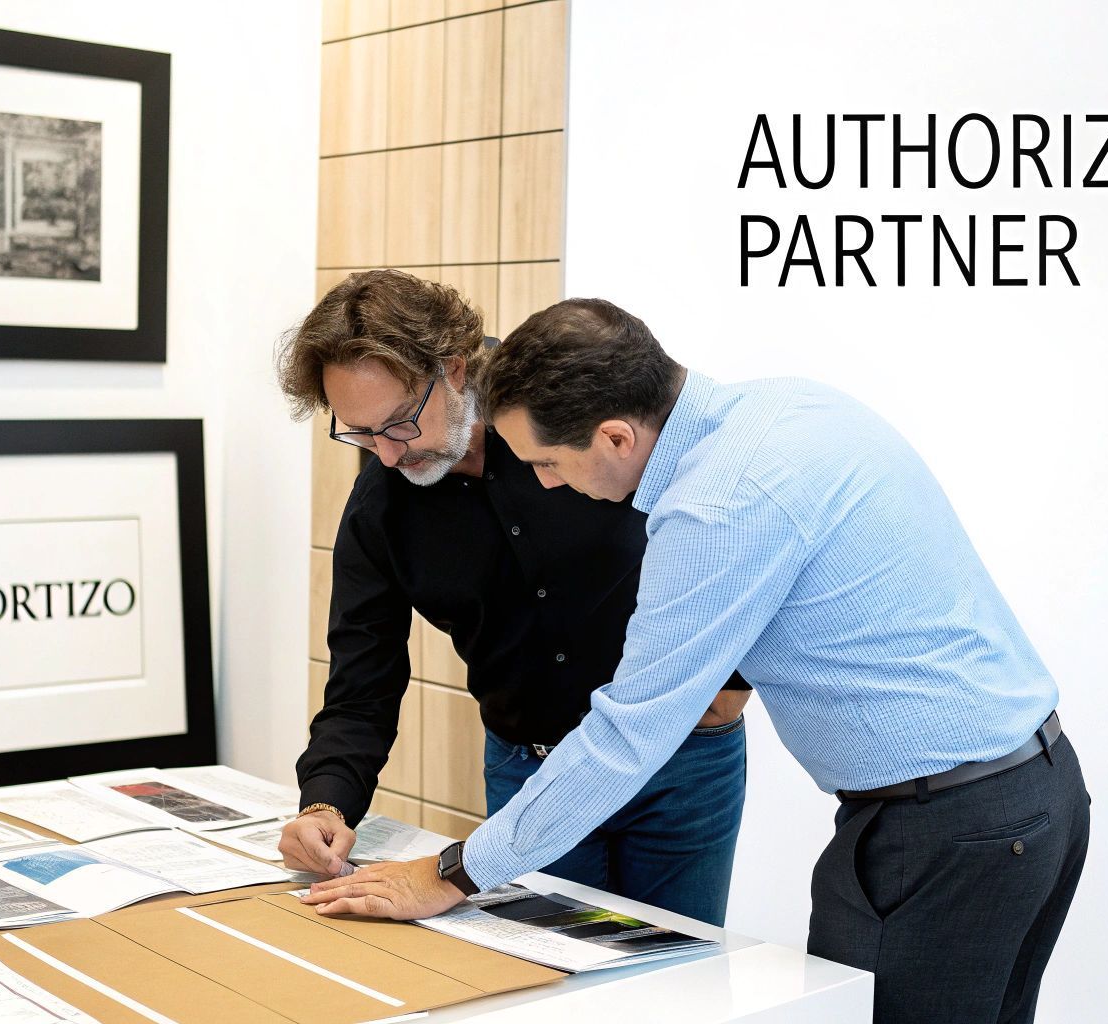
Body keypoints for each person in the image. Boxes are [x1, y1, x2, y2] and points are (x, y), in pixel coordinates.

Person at [302, 297, 1091, 1024]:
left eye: (547, 463)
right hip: (1031, 791)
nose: (545, 482)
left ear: (615, 436)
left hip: (950, 827)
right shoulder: (790, 404)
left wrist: (449, 872)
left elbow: (626, 737)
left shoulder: (713, 506)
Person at [274, 272, 751, 925]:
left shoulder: (568, 410)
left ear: (455, 370)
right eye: (359, 433)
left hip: (682, 765)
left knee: (683, 979)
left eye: (399, 424)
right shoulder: (380, 507)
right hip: (533, 774)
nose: (385, 455)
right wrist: (326, 803)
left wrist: (729, 688)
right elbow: (363, 681)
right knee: (548, 989)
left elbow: (724, 515)